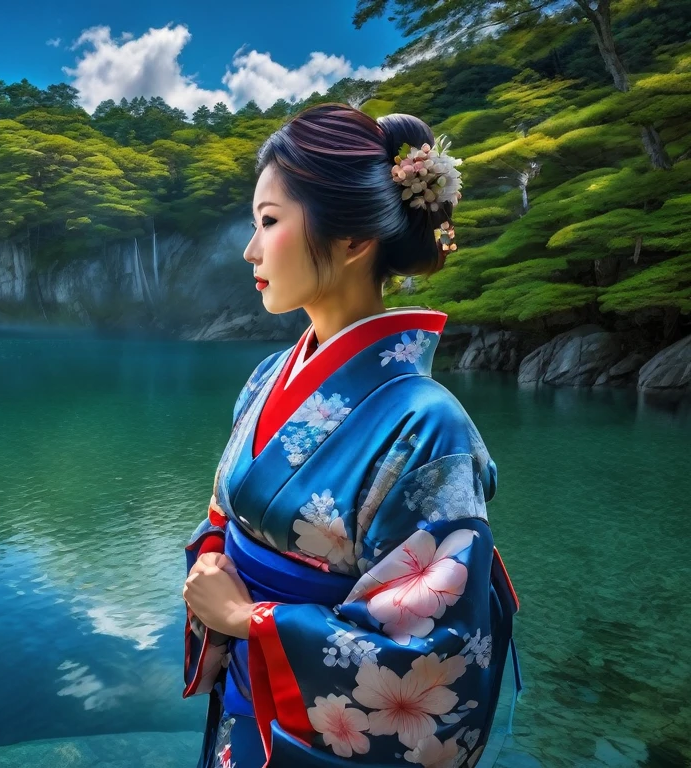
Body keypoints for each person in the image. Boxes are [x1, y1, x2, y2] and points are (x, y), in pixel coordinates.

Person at [180, 103, 520, 768]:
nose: (250, 249)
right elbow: (228, 506)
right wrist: (213, 553)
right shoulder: (266, 378)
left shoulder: (429, 428)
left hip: (312, 743)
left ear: (354, 240)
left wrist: (249, 621)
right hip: (244, 716)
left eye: (269, 222)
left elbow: (429, 655)